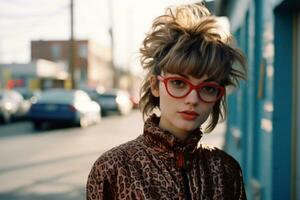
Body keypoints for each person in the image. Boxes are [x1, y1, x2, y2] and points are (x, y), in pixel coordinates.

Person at [86, 3, 247, 200]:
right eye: (179, 83)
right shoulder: (113, 169)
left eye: (208, 88)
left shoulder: (226, 170)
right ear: (155, 86)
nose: (193, 99)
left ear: (218, 95)